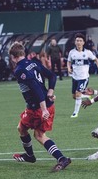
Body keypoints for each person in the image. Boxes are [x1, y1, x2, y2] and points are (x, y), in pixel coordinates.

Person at [9, 42, 71, 172]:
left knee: (38, 135)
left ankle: (60, 158)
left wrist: (43, 109)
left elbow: (36, 88)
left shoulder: (19, 70)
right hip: (46, 104)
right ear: (23, 53)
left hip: (37, 108)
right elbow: (52, 76)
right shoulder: (34, 63)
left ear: (13, 57)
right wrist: (50, 91)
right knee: (22, 128)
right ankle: (31, 156)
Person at [67, 33, 98, 118]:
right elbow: (68, 61)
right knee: (74, 96)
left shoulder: (87, 52)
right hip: (74, 77)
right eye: (77, 40)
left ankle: (75, 113)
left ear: (83, 42)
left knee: (78, 94)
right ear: (75, 42)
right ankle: (89, 94)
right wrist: (68, 68)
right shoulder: (72, 52)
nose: (78, 42)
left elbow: (96, 60)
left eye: (80, 41)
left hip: (83, 78)